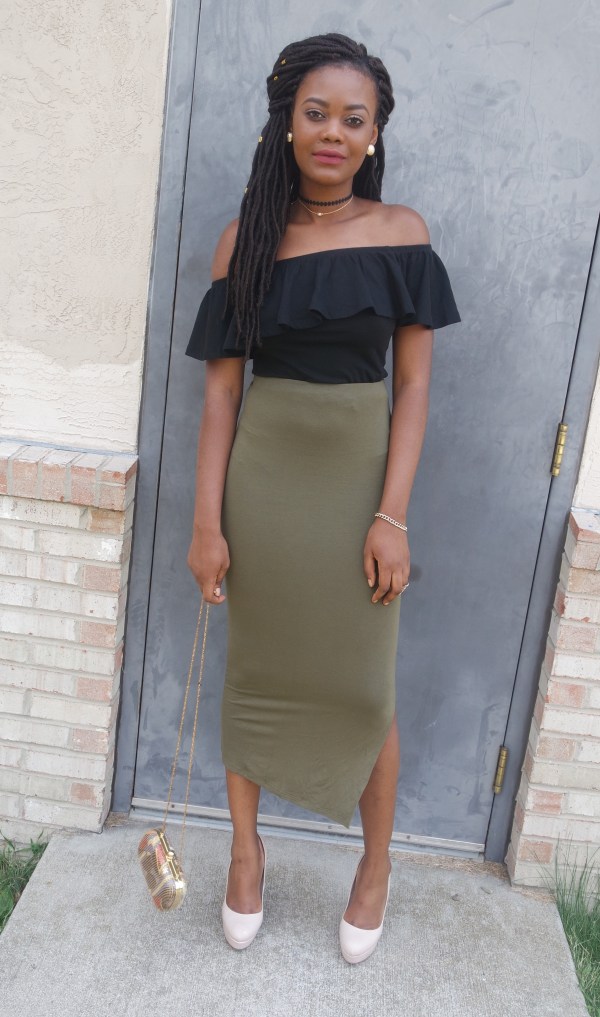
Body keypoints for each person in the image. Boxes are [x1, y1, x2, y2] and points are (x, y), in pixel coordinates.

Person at [185, 32, 460, 963]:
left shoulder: (402, 234)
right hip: (263, 488)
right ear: (288, 124)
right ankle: (246, 853)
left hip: (359, 493)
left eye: (354, 118)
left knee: (363, 687)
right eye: (317, 114)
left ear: (374, 134)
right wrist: (207, 523)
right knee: (255, 675)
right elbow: (221, 396)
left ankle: (374, 866)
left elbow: (413, 387)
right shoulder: (245, 242)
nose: (334, 132)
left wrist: (393, 514)